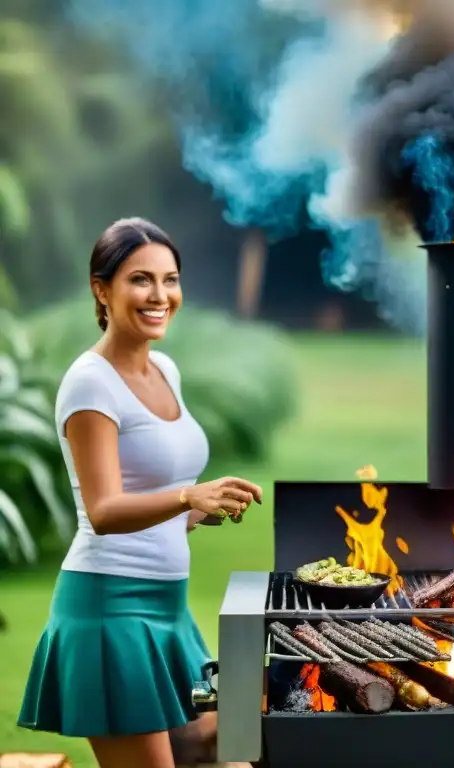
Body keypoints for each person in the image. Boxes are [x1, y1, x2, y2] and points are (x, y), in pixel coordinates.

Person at [17, 217, 262, 768]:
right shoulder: (90, 382)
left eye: (170, 279)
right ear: (101, 290)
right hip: (110, 611)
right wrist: (186, 497)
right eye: (140, 280)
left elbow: (148, 490)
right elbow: (102, 511)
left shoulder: (165, 370)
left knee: (238, 746)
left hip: (168, 609)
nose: (160, 296)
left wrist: (198, 512)